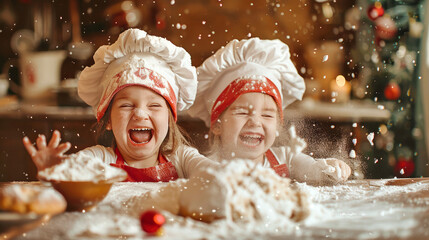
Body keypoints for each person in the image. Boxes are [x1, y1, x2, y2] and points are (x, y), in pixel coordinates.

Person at [23, 28, 217, 182]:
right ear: (108, 120)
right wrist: (54, 171)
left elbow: (212, 174)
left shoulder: (182, 159)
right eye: (126, 106)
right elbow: (73, 170)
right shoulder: (99, 160)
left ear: (169, 118)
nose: (140, 114)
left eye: (154, 106)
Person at [187, 37, 351, 184]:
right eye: (242, 112)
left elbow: (314, 171)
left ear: (278, 125)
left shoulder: (287, 159)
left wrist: (331, 168)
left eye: (267, 115)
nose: (256, 122)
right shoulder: (207, 168)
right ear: (217, 124)